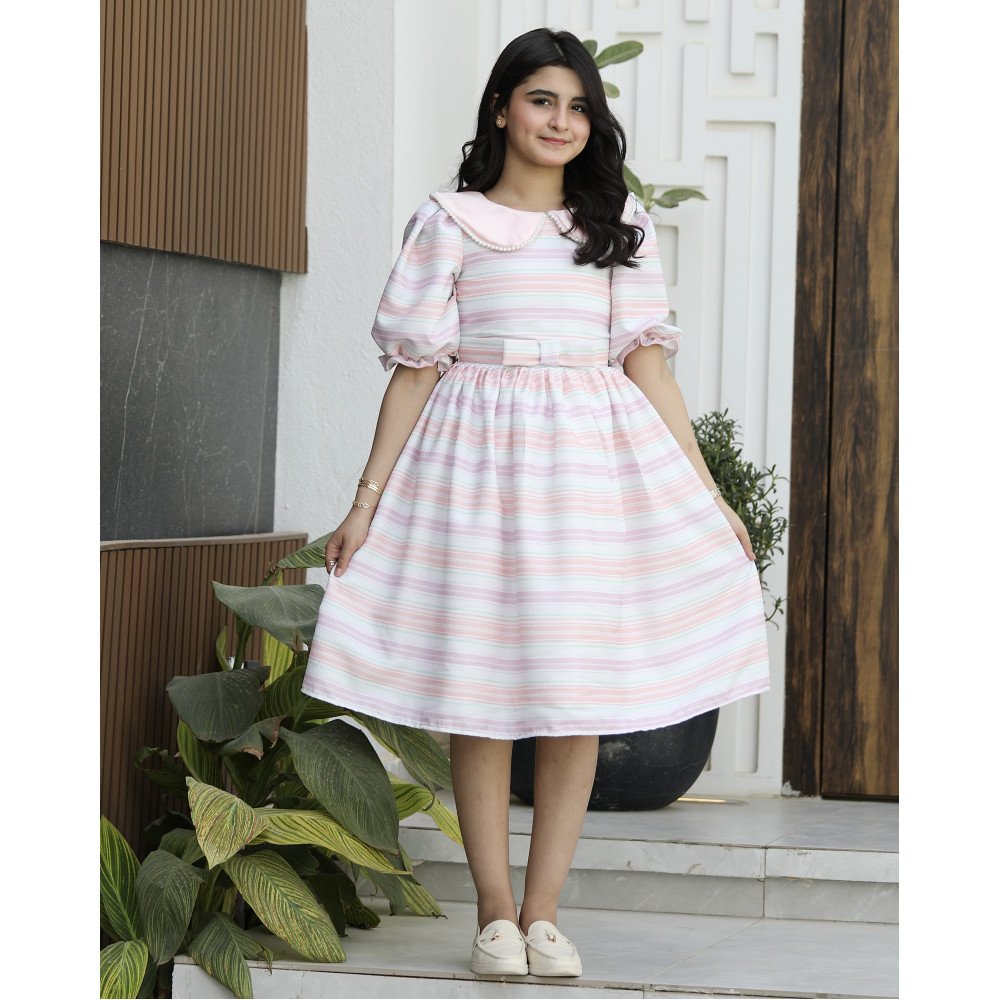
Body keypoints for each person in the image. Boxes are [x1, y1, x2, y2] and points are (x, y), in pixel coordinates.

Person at [300, 27, 770, 979]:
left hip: (588, 474)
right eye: (543, 100)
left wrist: (708, 493)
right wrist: (365, 503)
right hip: (474, 469)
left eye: (579, 106)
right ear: (502, 107)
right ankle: (495, 917)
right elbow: (415, 371)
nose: (561, 121)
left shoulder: (615, 226)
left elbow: (648, 365)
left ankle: (545, 915)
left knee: (574, 693)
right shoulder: (449, 221)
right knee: (478, 692)